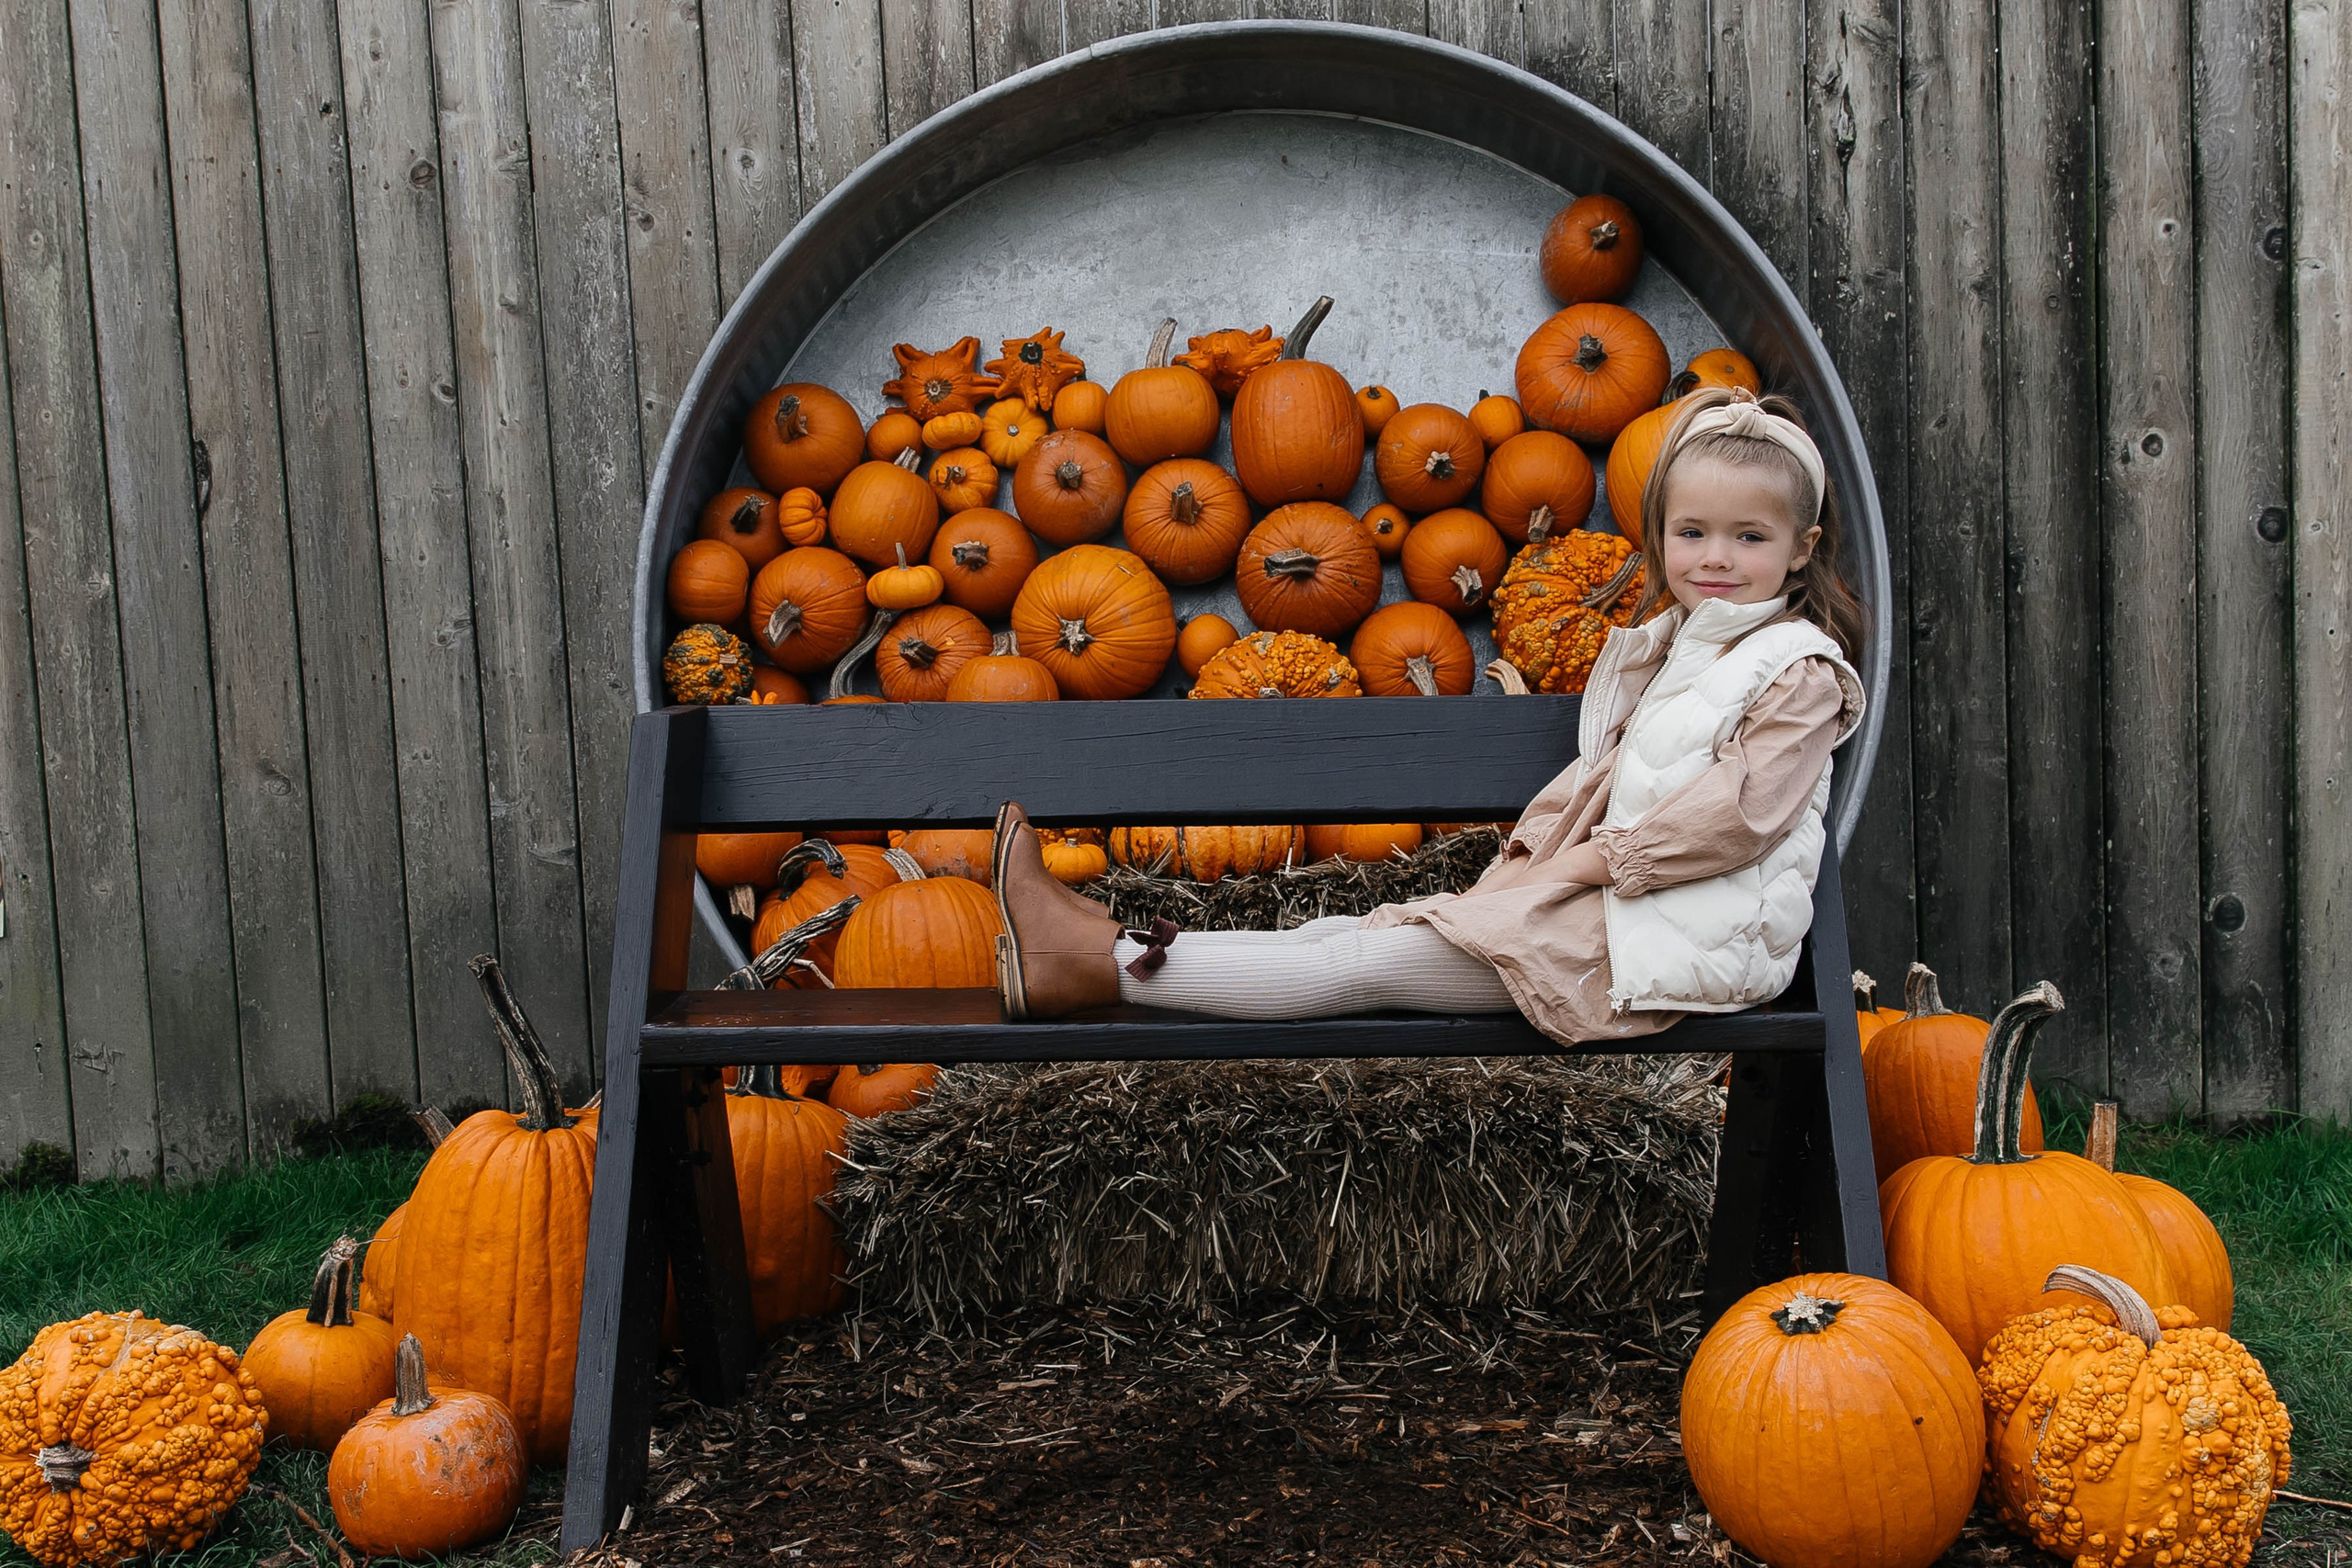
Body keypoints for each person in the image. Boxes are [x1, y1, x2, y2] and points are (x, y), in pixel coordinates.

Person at [989, 385, 1869, 1040]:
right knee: (1359, 925)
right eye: (1693, 533)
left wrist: (1565, 874)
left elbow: (1735, 815)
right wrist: (1524, 872)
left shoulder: (1798, 671)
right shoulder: (1684, 647)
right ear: (1660, 535)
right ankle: (1097, 948)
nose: (1716, 557)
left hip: (1654, 954)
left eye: (1749, 538)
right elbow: (1611, 790)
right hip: (1617, 919)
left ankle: (1093, 966)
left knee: (1360, 963)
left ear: (1802, 551)